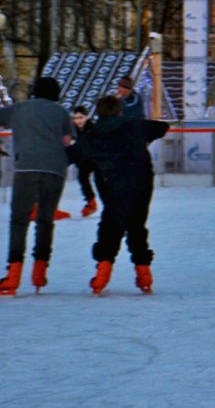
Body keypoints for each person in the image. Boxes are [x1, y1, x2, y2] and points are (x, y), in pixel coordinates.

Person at [71, 95, 170, 294]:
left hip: (113, 183)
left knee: (110, 225)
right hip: (141, 180)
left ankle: (102, 272)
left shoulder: (92, 134)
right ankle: (144, 274)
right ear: (119, 110)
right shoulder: (132, 124)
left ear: (98, 113)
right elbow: (162, 127)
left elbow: (73, 157)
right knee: (136, 223)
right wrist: (142, 135)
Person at [0, 77, 75, 296]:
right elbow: (67, 142)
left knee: (19, 220)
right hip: (55, 169)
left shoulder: (18, 108)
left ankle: (13, 275)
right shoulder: (61, 112)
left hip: (26, 168)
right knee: (45, 220)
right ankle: (39, 272)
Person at [71, 106, 101, 217]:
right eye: (75, 118)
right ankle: (90, 201)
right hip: (84, 159)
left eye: (80, 117)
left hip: (97, 158)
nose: (78, 121)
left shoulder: (93, 128)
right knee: (82, 177)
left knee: (101, 181)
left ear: (87, 117)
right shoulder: (74, 129)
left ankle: (110, 203)